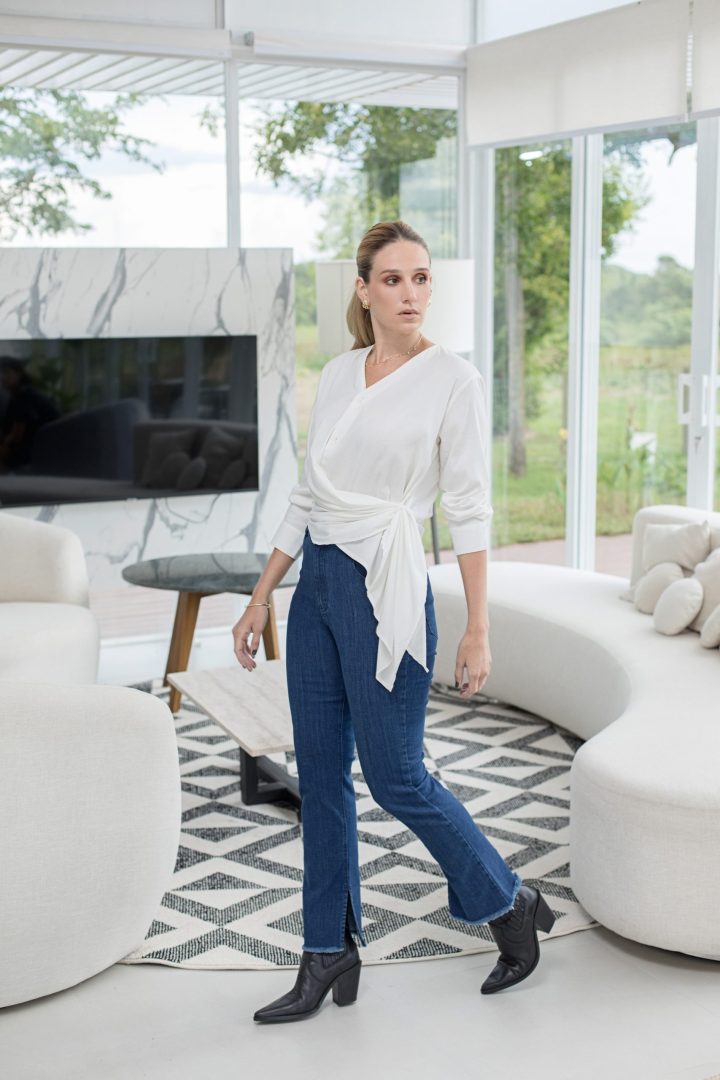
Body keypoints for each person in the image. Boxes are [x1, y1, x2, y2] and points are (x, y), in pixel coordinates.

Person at [232, 220, 556, 1024]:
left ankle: (507, 902)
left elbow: (469, 509)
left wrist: (478, 627)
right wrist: (261, 594)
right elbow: (308, 496)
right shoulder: (340, 374)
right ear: (364, 288)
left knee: (396, 775)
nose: (410, 293)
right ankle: (327, 949)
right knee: (321, 778)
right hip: (316, 588)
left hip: (389, 588)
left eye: (421, 278)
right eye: (393, 279)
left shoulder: (454, 380)